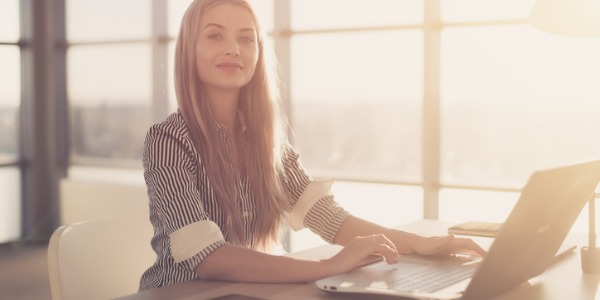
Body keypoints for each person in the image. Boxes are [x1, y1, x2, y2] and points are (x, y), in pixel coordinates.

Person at [139, 0, 485, 291]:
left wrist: (417, 244)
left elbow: (331, 220)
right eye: (215, 35)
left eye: (247, 38)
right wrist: (328, 266)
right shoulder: (167, 140)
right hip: (181, 294)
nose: (233, 48)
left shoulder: (266, 142)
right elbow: (209, 258)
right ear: (189, 49)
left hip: (246, 292)